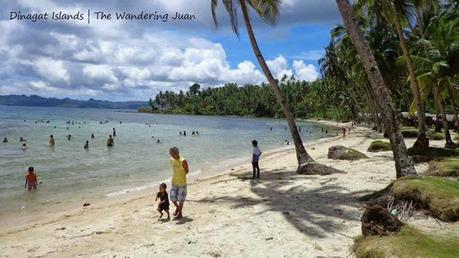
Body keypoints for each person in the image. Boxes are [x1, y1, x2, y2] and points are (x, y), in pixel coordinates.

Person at [169, 147, 189, 219]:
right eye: (170, 154)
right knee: (172, 198)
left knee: (180, 200)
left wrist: (181, 176)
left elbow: (187, 171)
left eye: (172, 154)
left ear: (176, 153)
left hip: (182, 183)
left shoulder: (183, 160)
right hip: (174, 182)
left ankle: (180, 213)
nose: (171, 155)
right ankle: (177, 207)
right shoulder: (171, 160)